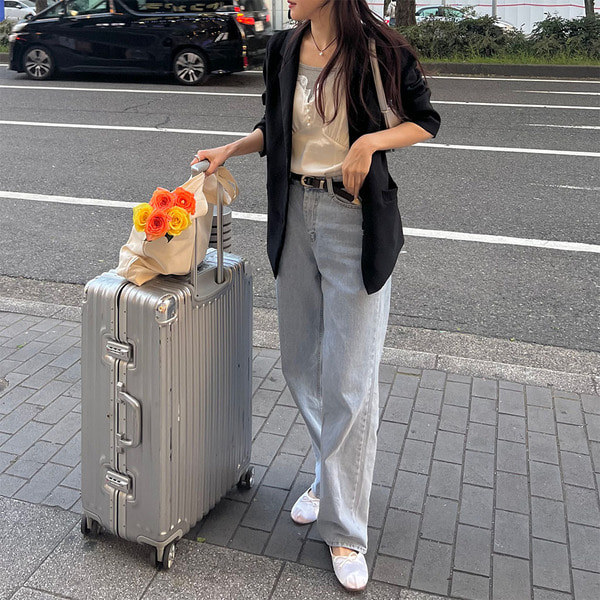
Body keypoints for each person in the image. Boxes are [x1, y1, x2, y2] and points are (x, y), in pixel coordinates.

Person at [193, 0, 440, 591]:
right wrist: (230, 150)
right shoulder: (284, 47)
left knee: (350, 379)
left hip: (353, 219)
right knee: (300, 362)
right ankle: (332, 475)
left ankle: (346, 528)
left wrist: (369, 143)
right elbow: (274, 124)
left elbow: (425, 120)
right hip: (294, 211)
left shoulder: (378, 49)